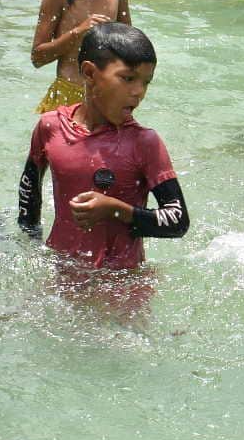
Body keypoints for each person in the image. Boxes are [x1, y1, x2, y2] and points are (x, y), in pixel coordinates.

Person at [17, 22, 188, 277]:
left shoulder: (144, 143)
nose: (138, 92)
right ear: (89, 73)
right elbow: (29, 194)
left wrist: (115, 209)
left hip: (123, 281)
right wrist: (30, 246)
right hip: (62, 270)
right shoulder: (50, 127)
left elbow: (178, 221)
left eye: (146, 82)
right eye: (128, 78)